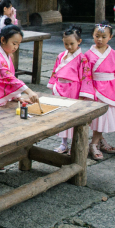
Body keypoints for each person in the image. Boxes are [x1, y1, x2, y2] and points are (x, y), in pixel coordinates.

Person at [0, 25, 39, 178]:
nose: (16, 47)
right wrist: (28, 91)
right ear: (3, 40)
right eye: (14, 43)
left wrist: (18, 97)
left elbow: (6, 82)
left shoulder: (6, 56)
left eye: (18, 44)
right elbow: (9, 79)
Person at [79, 23, 115, 160]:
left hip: (111, 88)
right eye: (97, 36)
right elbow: (86, 75)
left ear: (110, 37)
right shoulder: (87, 55)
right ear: (93, 36)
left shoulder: (114, 54)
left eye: (104, 36)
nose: (100, 39)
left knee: (104, 117)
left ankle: (98, 141)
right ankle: (94, 144)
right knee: (99, 118)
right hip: (95, 88)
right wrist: (87, 92)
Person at [48, 25, 88, 154]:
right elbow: (55, 71)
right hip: (60, 87)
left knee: (72, 116)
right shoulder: (61, 55)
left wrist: (82, 94)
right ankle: (63, 143)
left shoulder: (82, 58)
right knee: (61, 115)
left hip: (73, 89)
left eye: (72, 44)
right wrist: (53, 86)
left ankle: (73, 145)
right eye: (66, 44)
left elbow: (85, 77)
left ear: (79, 42)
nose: (69, 47)